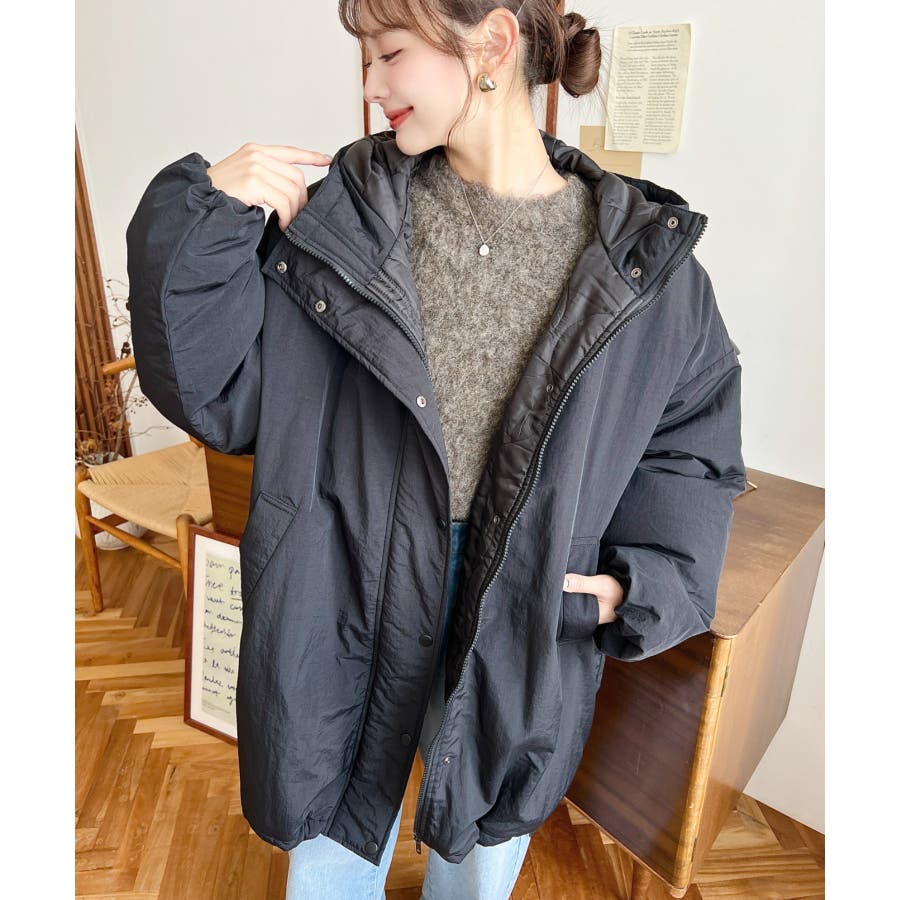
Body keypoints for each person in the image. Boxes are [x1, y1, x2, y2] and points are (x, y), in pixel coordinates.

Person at [126, 0, 745, 897]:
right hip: (344, 580)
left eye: (389, 52)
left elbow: (691, 451)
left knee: (478, 861)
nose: (370, 83)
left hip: (522, 601)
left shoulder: (647, 269)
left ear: (491, 43)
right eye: (365, 57)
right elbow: (213, 391)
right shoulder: (336, 224)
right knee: (329, 853)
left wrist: (640, 584)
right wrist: (204, 217)